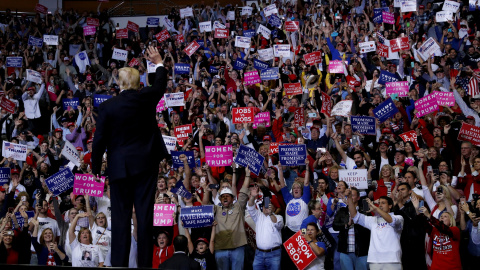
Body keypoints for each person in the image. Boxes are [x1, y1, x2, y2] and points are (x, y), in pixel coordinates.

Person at [91, 46, 169, 267]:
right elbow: (161, 84)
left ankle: (119, 265)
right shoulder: (145, 98)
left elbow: (98, 141)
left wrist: (96, 168)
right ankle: (145, 265)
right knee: (144, 218)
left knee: (121, 220)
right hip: (146, 167)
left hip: (119, 169)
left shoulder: (107, 107)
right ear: (138, 83)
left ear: (120, 84)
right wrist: (158, 61)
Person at [347, 193, 404, 270]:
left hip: (392, 259)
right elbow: (355, 216)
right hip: (374, 260)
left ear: (390, 206)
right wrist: (350, 198)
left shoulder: (398, 218)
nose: (380, 205)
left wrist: (377, 209)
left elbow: (391, 221)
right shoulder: (372, 220)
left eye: (383, 203)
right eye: (379, 203)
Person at [247, 184, 283, 270]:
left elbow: (278, 224)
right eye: (264, 206)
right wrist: (252, 197)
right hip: (259, 254)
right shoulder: (258, 216)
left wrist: (271, 213)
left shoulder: (278, 217)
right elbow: (250, 207)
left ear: (273, 208)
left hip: (274, 254)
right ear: (261, 208)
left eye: (269, 206)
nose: (266, 208)